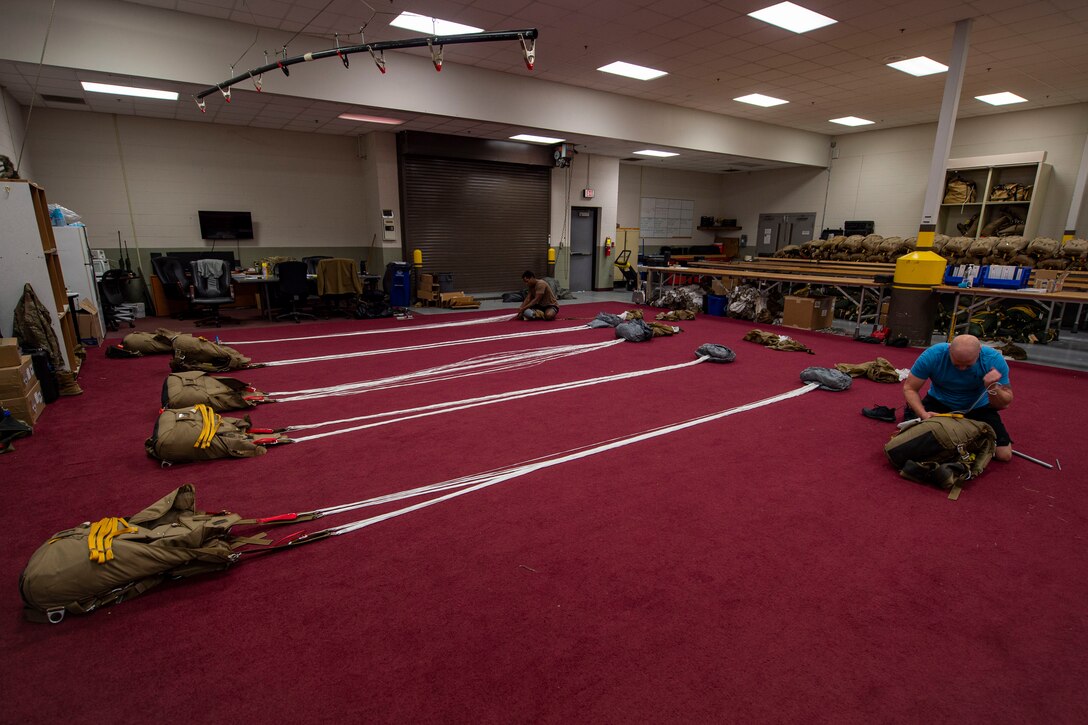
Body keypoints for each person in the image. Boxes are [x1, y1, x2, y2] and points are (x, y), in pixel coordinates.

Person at [902, 334, 1014, 461]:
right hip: (939, 402)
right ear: (949, 349)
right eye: (957, 364)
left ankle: (961, 438)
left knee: (1004, 455)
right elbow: (910, 388)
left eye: (968, 365)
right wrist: (923, 414)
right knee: (913, 445)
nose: (962, 369)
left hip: (978, 407)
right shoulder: (934, 355)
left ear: (979, 352)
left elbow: (1004, 404)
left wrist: (992, 387)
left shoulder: (993, 360)